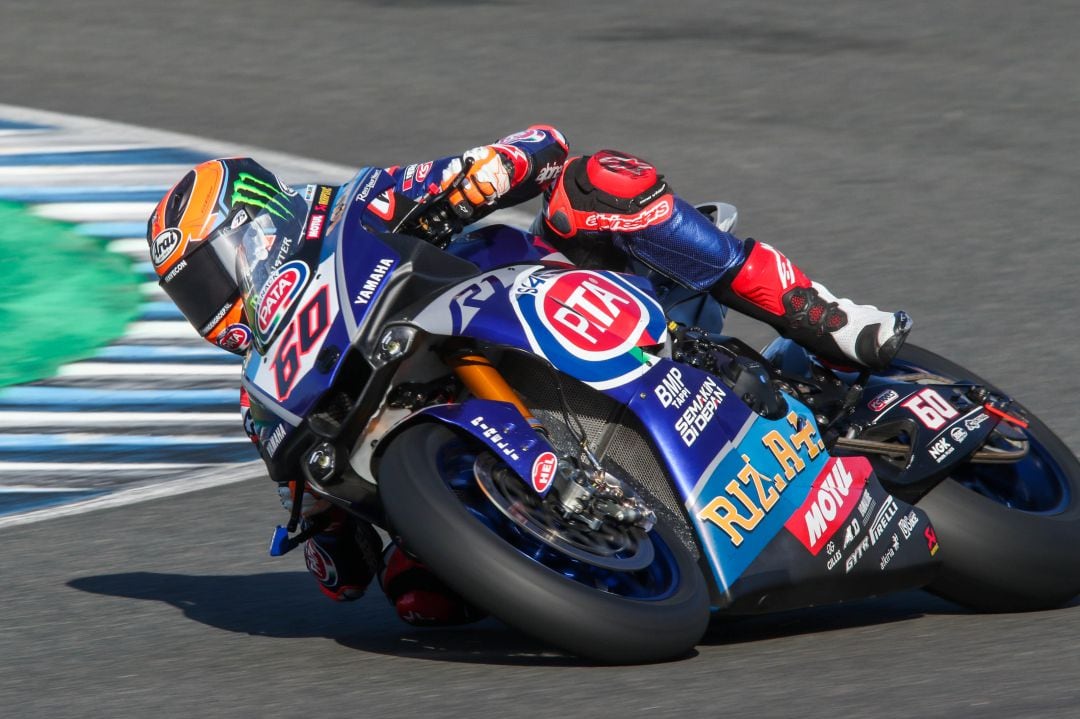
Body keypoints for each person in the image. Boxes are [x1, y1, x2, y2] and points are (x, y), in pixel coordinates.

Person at [146, 125, 911, 626]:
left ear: (256, 227)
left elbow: (538, 145)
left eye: (214, 276)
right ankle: (600, 553)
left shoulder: (352, 206)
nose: (213, 303)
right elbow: (344, 567)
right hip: (458, 422)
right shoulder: (262, 396)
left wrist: (486, 174)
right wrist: (322, 526)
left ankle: (821, 315)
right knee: (418, 598)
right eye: (195, 295)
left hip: (536, 297)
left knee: (596, 183)